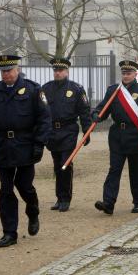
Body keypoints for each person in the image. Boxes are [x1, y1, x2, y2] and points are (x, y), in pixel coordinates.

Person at [0, 55, 51, 248]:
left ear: (17, 70)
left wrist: (39, 144)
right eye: (3, 71)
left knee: (25, 185)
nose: (6, 74)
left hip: (25, 144)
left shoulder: (33, 89)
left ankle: (33, 210)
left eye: (9, 70)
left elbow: (44, 119)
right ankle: (9, 232)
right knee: (6, 189)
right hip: (3, 146)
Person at [93, 60, 138, 216]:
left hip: (136, 136)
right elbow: (104, 107)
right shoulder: (114, 91)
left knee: (136, 171)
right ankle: (108, 203)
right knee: (114, 170)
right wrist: (96, 114)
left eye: (129, 73)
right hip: (117, 136)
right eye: (124, 73)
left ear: (135, 74)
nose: (126, 76)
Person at [42, 58, 91, 212]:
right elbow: (41, 112)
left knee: (65, 164)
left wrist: (86, 131)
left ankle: (66, 198)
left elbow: (84, 111)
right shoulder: (46, 88)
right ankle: (59, 197)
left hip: (68, 130)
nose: (57, 73)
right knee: (57, 166)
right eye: (55, 70)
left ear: (67, 71)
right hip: (52, 132)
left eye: (60, 70)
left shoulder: (76, 89)